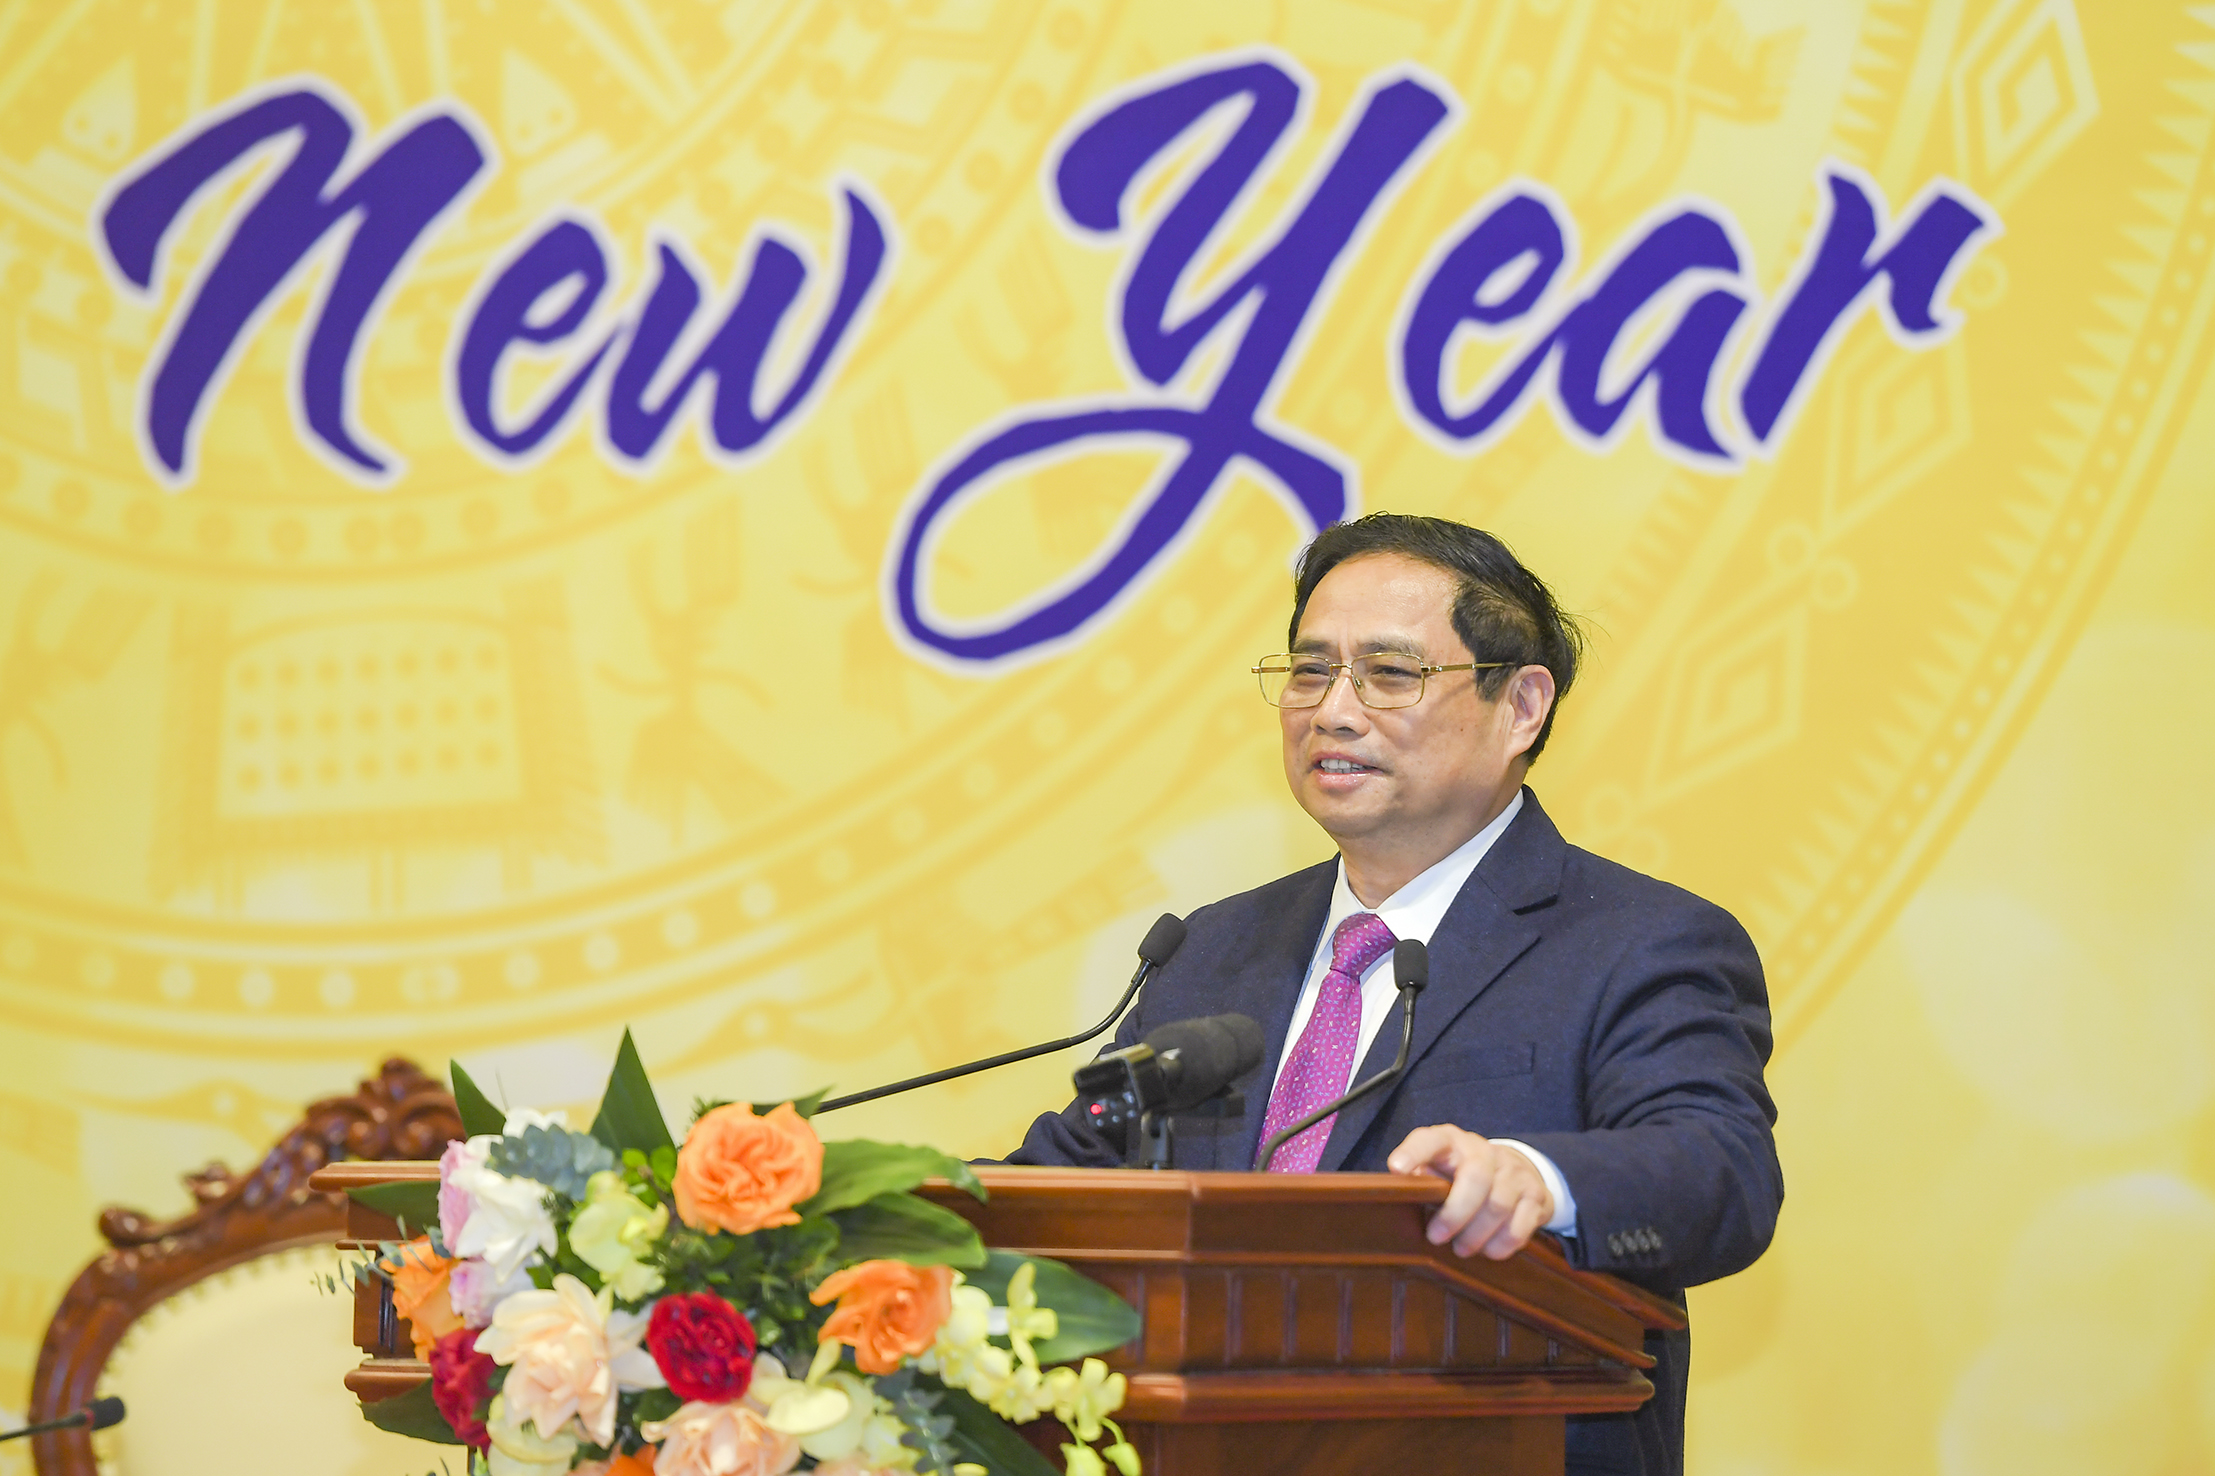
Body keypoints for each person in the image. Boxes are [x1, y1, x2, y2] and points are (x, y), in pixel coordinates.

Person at [1007, 513, 1782, 1476]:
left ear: (1520, 706)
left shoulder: (1636, 941)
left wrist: (1533, 1179)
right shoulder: (1211, 949)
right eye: (1309, 671)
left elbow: (1720, 1173)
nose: (1332, 710)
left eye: (1387, 672)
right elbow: (1065, 1182)